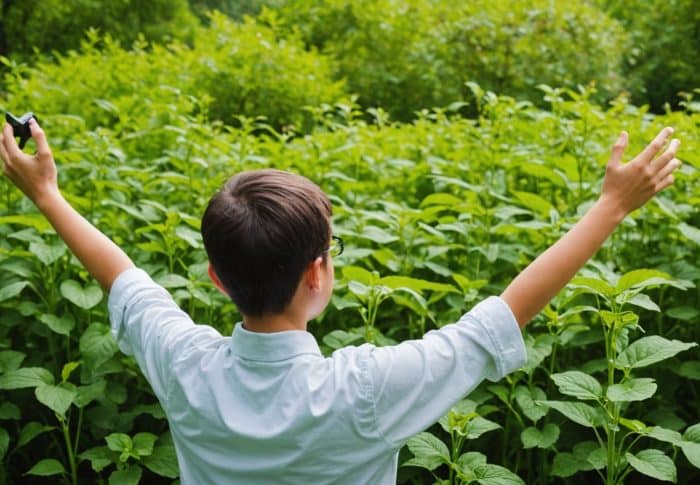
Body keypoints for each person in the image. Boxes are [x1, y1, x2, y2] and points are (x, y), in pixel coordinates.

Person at [0, 118, 681, 484]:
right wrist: (611, 206)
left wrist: (47, 194)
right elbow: (495, 322)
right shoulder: (362, 390)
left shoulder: (185, 366)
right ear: (319, 273)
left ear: (214, 276)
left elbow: (123, 277)